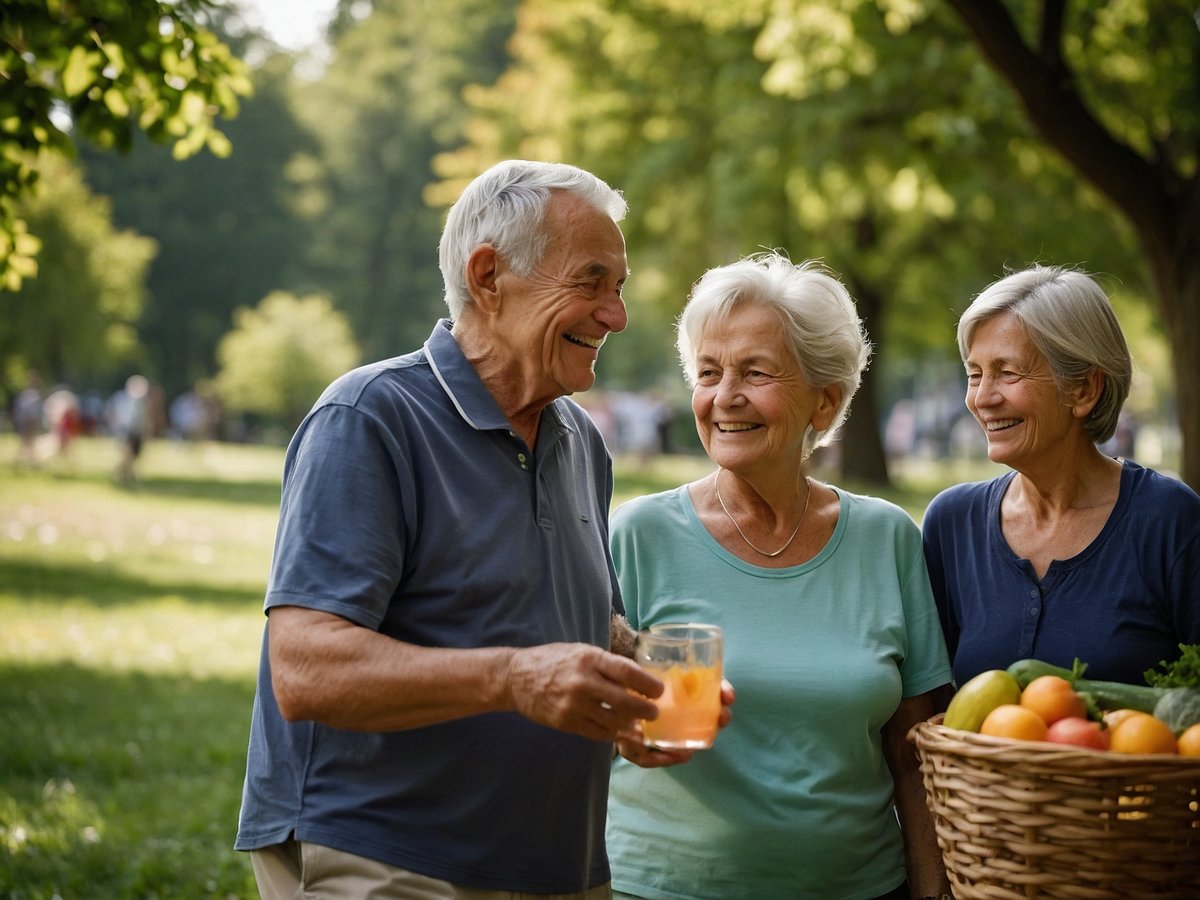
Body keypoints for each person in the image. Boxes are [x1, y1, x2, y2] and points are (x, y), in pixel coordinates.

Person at [235, 160, 718, 899]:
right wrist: (517, 678)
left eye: (617, 290)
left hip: (554, 863)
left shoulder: (578, 440)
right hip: (384, 855)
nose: (615, 315)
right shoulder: (370, 417)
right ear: (489, 277)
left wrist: (634, 674)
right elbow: (306, 668)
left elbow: (570, 616)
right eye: (590, 282)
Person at [606, 252, 954, 900]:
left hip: (861, 888)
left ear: (825, 401)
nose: (724, 396)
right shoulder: (638, 535)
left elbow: (914, 756)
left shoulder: (887, 540)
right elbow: (578, 723)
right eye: (708, 373)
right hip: (661, 888)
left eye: (755, 372)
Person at [922, 265, 1200, 688]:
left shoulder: (1169, 520)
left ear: (1084, 390)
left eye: (1007, 373)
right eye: (974, 374)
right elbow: (935, 707)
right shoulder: (951, 524)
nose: (982, 398)